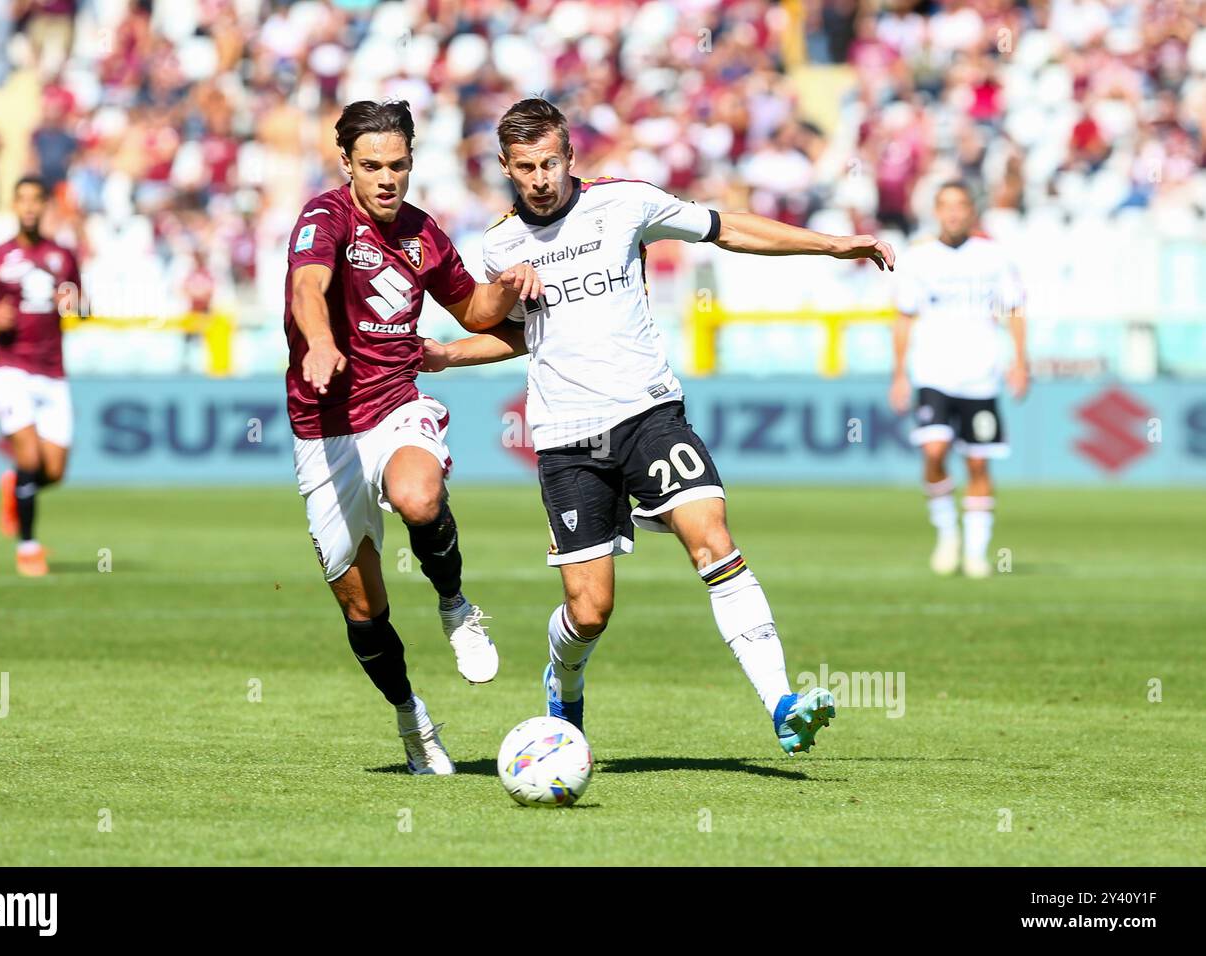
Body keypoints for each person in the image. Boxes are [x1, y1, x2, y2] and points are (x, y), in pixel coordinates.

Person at [422, 98, 894, 756]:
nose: (539, 177)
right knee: (590, 611)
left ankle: (783, 704)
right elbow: (514, 335)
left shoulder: (626, 204)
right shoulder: (500, 244)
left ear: (570, 157)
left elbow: (725, 227)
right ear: (504, 167)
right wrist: (446, 354)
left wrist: (830, 244)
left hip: (649, 413)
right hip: (568, 438)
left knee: (713, 537)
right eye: (525, 166)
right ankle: (563, 677)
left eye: (550, 162)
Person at [284, 100, 541, 774]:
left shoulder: (425, 234)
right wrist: (318, 341)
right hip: (325, 433)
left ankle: (457, 606)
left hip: (398, 405)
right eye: (372, 166)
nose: (386, 178)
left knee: (419, 498)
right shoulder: (324, 218)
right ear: (347, 165)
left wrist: (508, 284)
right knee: (364, 610)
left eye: (398, 165)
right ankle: (412, 719)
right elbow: (308, 288)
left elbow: (473, 308)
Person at [889, 181, 1028, 578]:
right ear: (936, 210)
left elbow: (1014, 309)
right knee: (933, 452)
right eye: (946, 206)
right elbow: (903, 317)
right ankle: (948, 533)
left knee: (978, 462)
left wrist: (1020, 361)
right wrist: (899, 374)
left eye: (960, 206)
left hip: (980, 375)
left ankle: (976, 551)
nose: (953, 213)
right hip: (933, 372)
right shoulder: (919, 259)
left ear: (971, 210)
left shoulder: (993, 257)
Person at [0, 176, 83, 577]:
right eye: (21, 199)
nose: (28, 207)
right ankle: (28, 547)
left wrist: (73, 304)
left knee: (54, 471)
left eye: (35, 200)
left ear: (44, 206)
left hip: (52, 371)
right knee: (28, 456)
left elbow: (81, 304)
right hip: (9, 368)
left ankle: (16, 488)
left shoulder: (63, 255)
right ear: (14, 205)